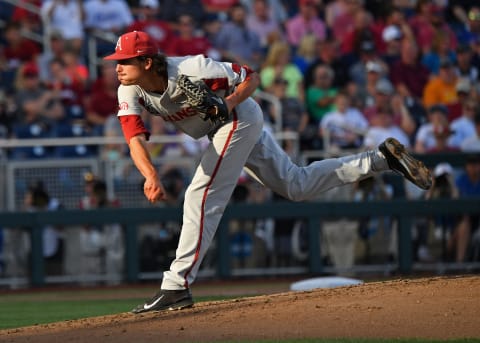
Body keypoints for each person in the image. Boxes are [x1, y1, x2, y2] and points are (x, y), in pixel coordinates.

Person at [102, 30, 432, 313]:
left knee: (201, 194)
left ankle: (176, 284)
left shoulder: (192, 68)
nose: (117, 68)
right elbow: (133, 138)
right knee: (296, 186)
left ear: (146, 62)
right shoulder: (129, 90)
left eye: (124, 61)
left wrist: (228, 102)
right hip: (223, 126)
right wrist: (151, 175)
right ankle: (380, 159)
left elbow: (251, 77)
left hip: (239, 118)